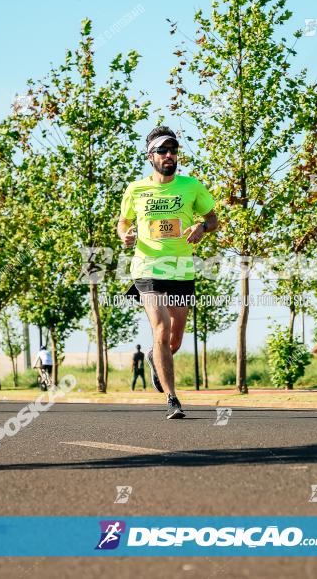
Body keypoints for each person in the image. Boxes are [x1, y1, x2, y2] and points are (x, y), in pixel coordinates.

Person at [117, 126, 219, 419]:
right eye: (162, 151)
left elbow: (213, 219)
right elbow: (123, 223)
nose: (169, 155)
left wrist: (201, 228)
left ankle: (154, 357)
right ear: (150, 156)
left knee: (174, 340)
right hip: (147, 268)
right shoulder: (135, 189)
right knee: (160, 328)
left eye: (173, 150)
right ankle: (173, 398)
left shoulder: (191, 186)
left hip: (181, 269)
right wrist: (124, 236)